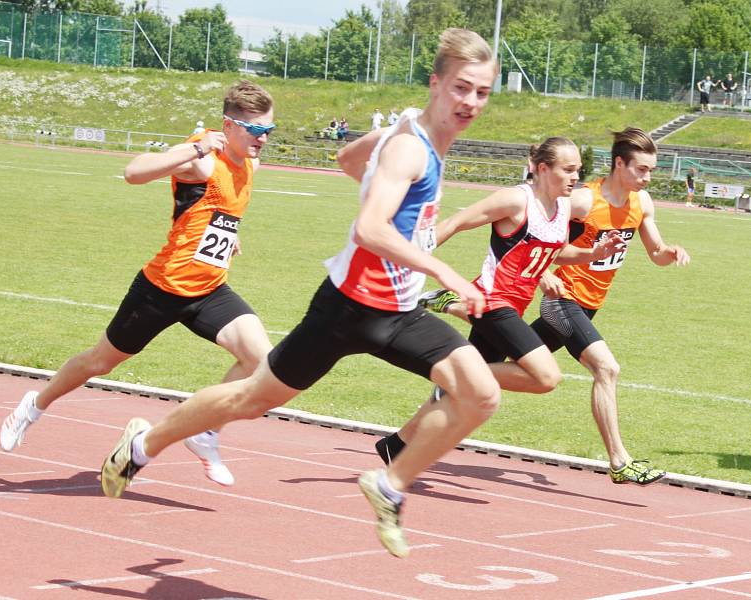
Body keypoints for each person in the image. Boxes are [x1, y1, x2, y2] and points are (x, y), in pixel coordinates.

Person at [99, 28, 500, 559]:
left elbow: (347, 164)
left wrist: (373, 148)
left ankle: (388, 484)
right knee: (250, 399)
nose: (470, 102)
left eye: (482, 92)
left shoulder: (413, 137)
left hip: (398, 311)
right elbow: (370, 229)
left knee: (481, 394)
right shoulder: (410, 147)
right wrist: (447, 275)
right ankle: (143, 445)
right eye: (461, 88)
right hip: (347, 309)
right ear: (435, 83)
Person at [0, 80, 278, 488]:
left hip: (209, 290)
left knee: (263, 361)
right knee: (99, 361)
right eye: (255, 130)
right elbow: (134, 172)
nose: (263, 138)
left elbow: (212, 211)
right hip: (161, 289)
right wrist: (199, 147)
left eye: (269, 129)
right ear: (228, 125)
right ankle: (34, 404)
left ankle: (206, 432)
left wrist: (228, 232)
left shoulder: (251, 163)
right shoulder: (202, 158)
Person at [417, 128, 690, 486]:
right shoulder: (581, 201)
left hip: (590, 304)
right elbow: (538, 236)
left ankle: (423, 413)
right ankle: (620, 461)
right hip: (563, 302)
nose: (647, 177)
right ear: (619, 164)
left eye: (651, 170)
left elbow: (655, 253)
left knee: (495, 366)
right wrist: (544, 272)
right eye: (641, 169)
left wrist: (667, 254)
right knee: (606, 368)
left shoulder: (644, 203)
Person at [375, 139, 624, 464]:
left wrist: (595, 253)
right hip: (492, 301)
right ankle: (453, 311)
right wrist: (414, 257)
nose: (576, 176)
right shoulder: (515, 200)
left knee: (463, 396)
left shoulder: (562, 207)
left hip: (513, 307)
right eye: (568, 169)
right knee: (546, 377)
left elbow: (556, 252)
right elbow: (458, 222)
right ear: (543, 168)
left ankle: (396, 445)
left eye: (579, 169)